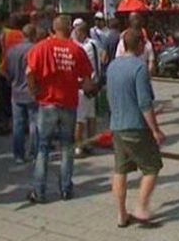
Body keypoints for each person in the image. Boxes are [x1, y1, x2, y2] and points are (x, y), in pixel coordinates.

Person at [26, 15, 95, 203]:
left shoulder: (41, 48)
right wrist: (81, 87)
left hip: (47, 103)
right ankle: (65, 189)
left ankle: (39, 192)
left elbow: (29, 73)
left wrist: (34, 91)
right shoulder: (77, 50)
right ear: (69, 30)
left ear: (53, 29)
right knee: (67, 147)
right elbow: (88, 82)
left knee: (43, 149)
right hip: (68, 104)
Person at [107, 29, 164, 228]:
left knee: (120, 170)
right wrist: (155, 130)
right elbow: (144, 103)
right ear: (140, 45)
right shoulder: (139, 68)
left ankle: (121, 215)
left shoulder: (113, 66)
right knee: (152, 167)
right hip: (136, 127)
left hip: (117, 125)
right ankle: (141, 207)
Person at [5, 24, 38, 164]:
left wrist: (13, 81)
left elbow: (7, 71)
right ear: (34, 35)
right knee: (34, 124)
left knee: (18, 124)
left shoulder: (12, 51)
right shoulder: (36, 50)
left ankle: (18, 154)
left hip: (16, 91)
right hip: (32, 91)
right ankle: (34, 152)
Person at [73, 21, 105, 158]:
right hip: (94, 84)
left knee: (79, 119)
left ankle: (78, 147)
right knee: (91, 116)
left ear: (80, 32)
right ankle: (90, 143)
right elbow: (104, 56)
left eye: (76, 31)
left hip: (82, 86)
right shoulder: (94, 43)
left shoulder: (80, 48)